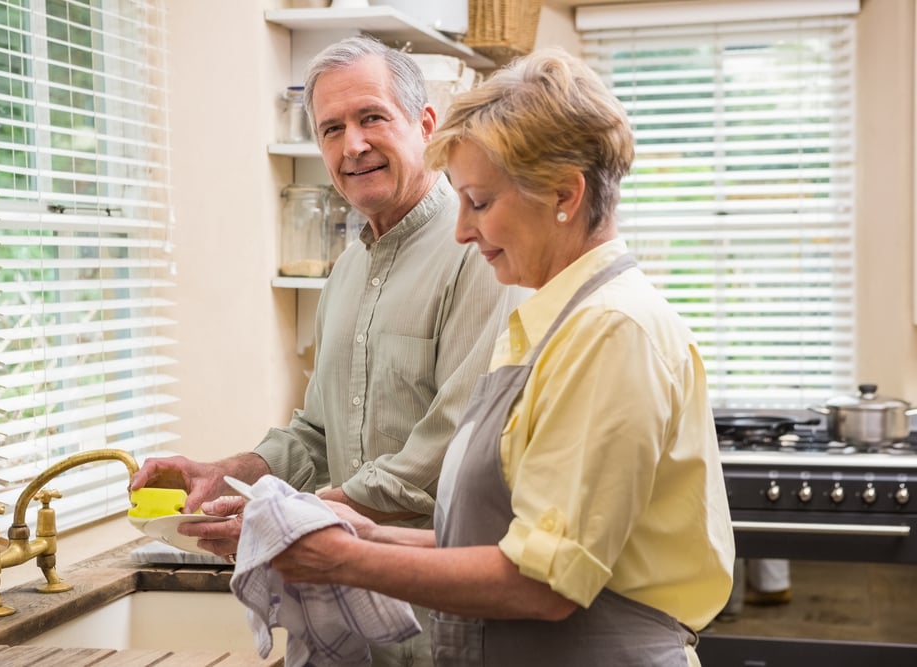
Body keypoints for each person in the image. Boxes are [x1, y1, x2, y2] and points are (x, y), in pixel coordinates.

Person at [266, 47, 736, 666]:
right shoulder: (551, 323)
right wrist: (366, 532)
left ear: (565, 195)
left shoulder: (612, 332)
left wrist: (346, 559)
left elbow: (544, 581)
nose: (460, 230)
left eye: (480, 203)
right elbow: (511, 538)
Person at [130, 36, 513, 666]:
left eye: (371, 118)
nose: (352, 146)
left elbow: (449, 447)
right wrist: (225, 472)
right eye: (331, 128)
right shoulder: (346, 270)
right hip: (348, 612)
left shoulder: (478, 254)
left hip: (441, 620)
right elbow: (314, 434)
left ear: (425, 124)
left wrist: (284, 518)